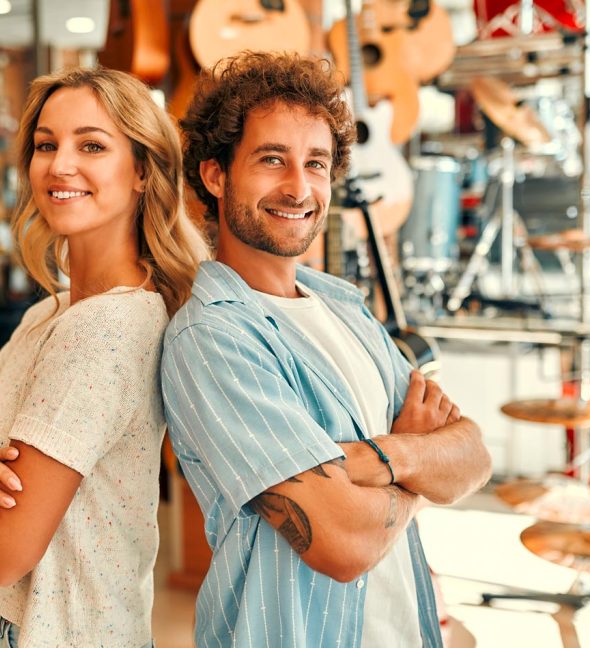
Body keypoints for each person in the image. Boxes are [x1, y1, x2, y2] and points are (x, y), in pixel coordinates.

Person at [161, 52, 493, 647]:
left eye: (315, 163)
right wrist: (418, 456)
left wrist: (376, 461)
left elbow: (472, 457)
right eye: (271, 160)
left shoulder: (341, 304)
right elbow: (343, 544)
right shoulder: (211, 338)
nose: (298, 187)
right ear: (214, 175)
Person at [0, 66, 208, 647]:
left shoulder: (105, 332)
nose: (60, 165)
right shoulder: (47, 317)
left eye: (91, 145)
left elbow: (3, 552)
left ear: (142, 172)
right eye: (45, 145)